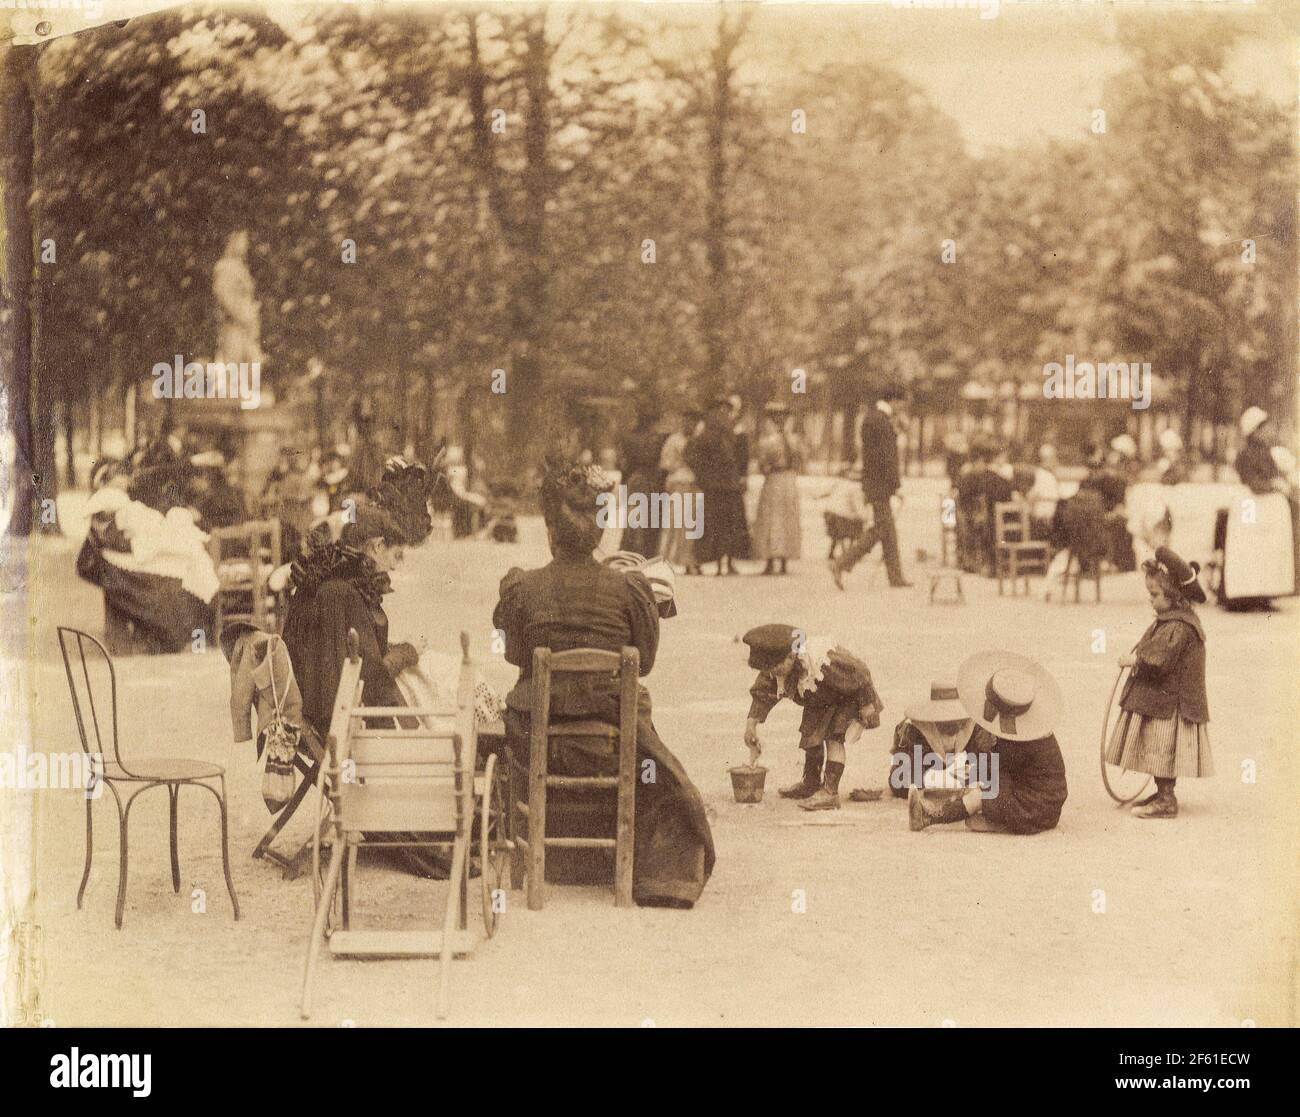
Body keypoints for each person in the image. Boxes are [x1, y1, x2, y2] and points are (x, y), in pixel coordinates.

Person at [493, 458, 715, 907]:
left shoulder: (523, 588)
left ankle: (538, 849)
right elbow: (644, 663)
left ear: (551, 530)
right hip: (612, 741)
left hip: (542, 740)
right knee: (655, 757)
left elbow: (515, 654)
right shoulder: (629, 589)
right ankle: (639, 867)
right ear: (600, 533)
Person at [280, 506, 419, 741]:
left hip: (304, 713)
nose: (394, 567)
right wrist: (408, 651)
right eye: (395, 555)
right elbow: (372, 678)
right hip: (336, 723)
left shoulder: (322, 580)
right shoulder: (345, 593)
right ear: (378, 546)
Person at [909, 650, 1068, 834]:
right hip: (1041, 804)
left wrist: (985, 757)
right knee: (983, 786)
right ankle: (996, 820)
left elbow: (996, 772)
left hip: (1034, 808)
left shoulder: (1025, 742)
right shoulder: (1029, 730)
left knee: (979, 795)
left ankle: (930, 817)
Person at [1105, 546, 1212, 819]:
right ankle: (1163, 792)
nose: (1150, 600)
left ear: (1174, 596)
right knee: (1159, 748)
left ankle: (1166, 799)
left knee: (1161, 746)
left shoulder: (1178, 626)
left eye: (1154, 595)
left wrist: (1135, 661)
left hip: (1172, 702)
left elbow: (1160, 658)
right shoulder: (1172, 620)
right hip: (1167, 698)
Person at [742, 623, 884, 811]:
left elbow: (861, 673)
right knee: (811, 735)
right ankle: (811, 783)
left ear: (791, 656)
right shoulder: (775, 667)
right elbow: (763, 693)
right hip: (819, 698)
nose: (773, 674)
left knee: (834, 737)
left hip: (849, 695)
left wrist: (867, 707)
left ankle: (830, 793)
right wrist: (751, 724)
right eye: (769, 671)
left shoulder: (822, 660)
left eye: (776, 669)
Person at [830, 389, 911, 588]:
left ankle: (896, 577)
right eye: (902, 403)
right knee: (879, 530)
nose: (903, 408)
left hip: (876, 484)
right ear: (894, 399)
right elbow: (886, 459)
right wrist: (895, 486)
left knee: (888, 532)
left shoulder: (875, 418)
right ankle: (841, 563)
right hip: (880, 486)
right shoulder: (881, 421)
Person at [685, 396, 750, 575]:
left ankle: (728, 562)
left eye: (726, 411)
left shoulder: (733, 434)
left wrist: (741, 477)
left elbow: (741, 458)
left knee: (730, 525)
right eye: (719, 411)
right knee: (717, 525)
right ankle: (720, 563)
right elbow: (692, 456)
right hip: (715, 488)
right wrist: (704, 476)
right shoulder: (707, 435)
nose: (723, 414)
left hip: (729, 486)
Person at [884, 680, 974, 800]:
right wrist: (941, 779)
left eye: (956, 716)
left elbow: (984, 763)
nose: (955, 724)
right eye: (946, 717)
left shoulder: (971, 725)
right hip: (922, 769)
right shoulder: (913, 729)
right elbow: (901, 780)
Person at [751, 402, 803, 575]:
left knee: (787, 518)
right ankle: (770, 560)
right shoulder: (767, 439)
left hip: (788, 479)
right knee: (771, 519)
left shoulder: (792, 438)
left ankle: (784, 560)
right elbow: (762, 462)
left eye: (783, 416)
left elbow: (799, 457)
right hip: (774, 479)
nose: (780, 419)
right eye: (776, 416)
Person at [619, 403, 667, 559]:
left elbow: (623, 465)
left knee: (635, 520)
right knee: (652, 520)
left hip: (635, 479)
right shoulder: (659, 438)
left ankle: (631, 554)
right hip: (653, 481)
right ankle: (647, 554)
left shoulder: (628, 438)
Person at [657, 409, 702, 574]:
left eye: (693, 422)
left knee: (693, 522)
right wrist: (679, 466)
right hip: (679, 481)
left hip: (695, 483)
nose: (690, 425)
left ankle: (690, 561)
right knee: (676, 520)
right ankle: (666, 560)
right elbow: (665, 463)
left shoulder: (698, 439)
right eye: (687, 421)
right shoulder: (674, 440)